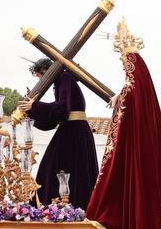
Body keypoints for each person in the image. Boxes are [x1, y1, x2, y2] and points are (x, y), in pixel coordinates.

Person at [85, 34, 161, 229]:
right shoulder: (137, 89)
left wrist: (120, 99)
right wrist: (120, 96)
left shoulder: (134, 89)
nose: (124, 68)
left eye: (125, 64)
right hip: (137, 151)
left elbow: (127, 114)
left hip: (135, 151)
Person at [17, 57, 99, 209]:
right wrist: (32, 109)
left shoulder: (65, 78)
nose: (40, 81)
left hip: (74, 131)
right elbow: (54, 118)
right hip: (71, 130)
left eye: (40, 77)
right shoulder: (61, 81)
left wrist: (34, 106)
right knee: (56, 168)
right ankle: (57, 206)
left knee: (52, 168)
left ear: (45, 72)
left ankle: (55, 207)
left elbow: (62, 108)